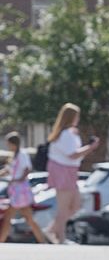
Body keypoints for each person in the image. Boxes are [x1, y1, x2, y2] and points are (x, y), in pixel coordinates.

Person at [46, 103, 100, 242]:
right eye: (76, 116)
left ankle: (52, 230)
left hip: (69, 170)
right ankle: (61, 237)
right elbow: (73, 154)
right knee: (64, 206)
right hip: (63, 170)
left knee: (76, 205)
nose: (78, 119)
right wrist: (91, 147)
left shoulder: (69, 134)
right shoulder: (65, 135)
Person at [0, 132, 53, 244]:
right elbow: (8, 170)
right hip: (15, 191)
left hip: (20, 191)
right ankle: (42, 241)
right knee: (27, 219)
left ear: (13, 143)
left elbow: (27, 169)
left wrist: (19, 179)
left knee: (8, 218)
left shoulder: (22, 155)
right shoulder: (14, 156)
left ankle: (2, 241)